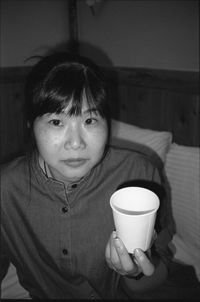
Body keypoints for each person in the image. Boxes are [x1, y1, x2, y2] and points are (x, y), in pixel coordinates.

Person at [1, 52, 175, 299]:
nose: (75, 143)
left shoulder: (139, 175)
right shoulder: (6, 190)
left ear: (108, 123)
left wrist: (135, 274)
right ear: (31, 125)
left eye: (90, 120)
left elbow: (160, 264)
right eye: (56, 122)